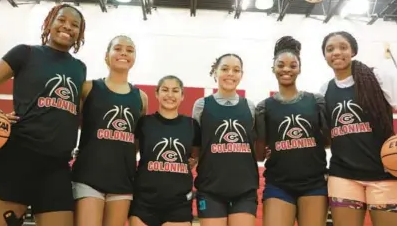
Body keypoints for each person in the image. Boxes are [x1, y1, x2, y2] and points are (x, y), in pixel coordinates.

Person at [0, 4, 87, 226]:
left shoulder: (79, 68)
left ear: (80, 34)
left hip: (56, 167)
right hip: (16, 158)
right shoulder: (24, 53)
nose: (67, 27)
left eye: (75, 25)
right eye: (61, 20)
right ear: (49, 23)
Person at [320, 31, 397, 226]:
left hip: (384, 173)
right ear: (325, 56)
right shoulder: (324, 90)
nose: (336, 52)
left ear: (353, 51)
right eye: (330, 49)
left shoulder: (377, 77)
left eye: (343, 47)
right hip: (343, 176)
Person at [71, 35, 148, 226]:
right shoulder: (88, 88)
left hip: (122, 179)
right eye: (118, 48)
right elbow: (71, 121)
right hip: (88, 177)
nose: (123, 53)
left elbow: (136, 139)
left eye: (129, 50)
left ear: (134, 58)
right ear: (107, 56)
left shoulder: (141, 97)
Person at [255, 36, 329, 226]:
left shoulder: (316, 101)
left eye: (292, 65)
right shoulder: (264, 107)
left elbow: (328, 141)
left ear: (299, 68)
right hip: (278, 184)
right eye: (281, 65)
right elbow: (260, 155)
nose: (286, 69)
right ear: (273, 68)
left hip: (314, 184)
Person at [192, 54, 259, 226]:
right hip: (210, 189)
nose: (230, 73)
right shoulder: (201, 105)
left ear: (241, 75)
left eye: (236, 70)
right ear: (215, 72)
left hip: (244, 190)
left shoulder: (250, 107)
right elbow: (196, 147)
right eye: (225, 69)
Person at [129, 75, 201, 226]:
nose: (170, 95)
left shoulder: (192, 125)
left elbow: (196, 155)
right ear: (156, 93)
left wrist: (193, 161)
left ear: (182, 96)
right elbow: (130, 154)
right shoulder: (144, 123)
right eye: (165, 90)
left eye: (175, 91)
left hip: (178, 204)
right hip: (144, 203)